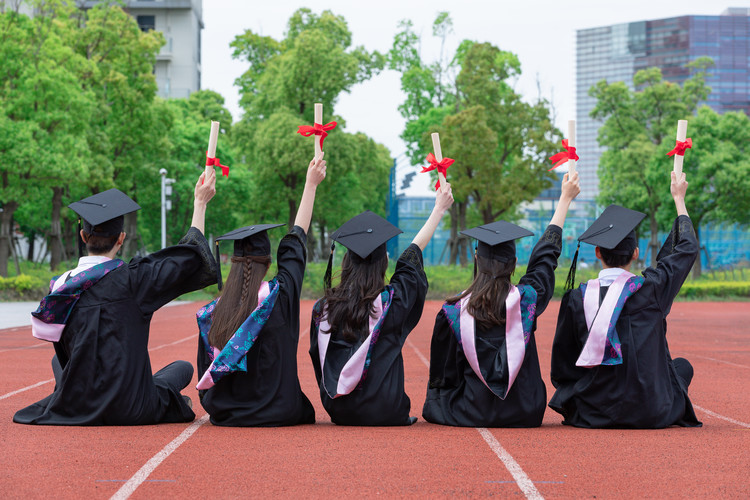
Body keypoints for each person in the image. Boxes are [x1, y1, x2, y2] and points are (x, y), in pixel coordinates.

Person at [15, 168, 218, 425]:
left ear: (83, 237)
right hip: (131, 406)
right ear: (121, 238)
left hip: (78, 403)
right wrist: (199, 202)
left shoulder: (61, 288)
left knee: (60, 359)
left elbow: (48, 333)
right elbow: (189, 259)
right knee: (182, 369)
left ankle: (78, 393)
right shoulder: (134, 280)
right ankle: (172, 403)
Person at [422, 173, 580, 427]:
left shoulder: (454, 311)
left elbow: (444, 375)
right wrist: (564, 200)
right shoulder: (527, 300)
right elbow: (544, 259)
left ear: (476, 258)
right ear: (514, 263)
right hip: (526, 411)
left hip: (469, 410)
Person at [548, 171, 701, 428]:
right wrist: (679, 198)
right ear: (636, 253)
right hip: (651, 410)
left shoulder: (578, 298)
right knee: (681, 367)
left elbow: (563, 365)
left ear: (597, 252)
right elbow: (686, 249)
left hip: (594, 410)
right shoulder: (653, 288)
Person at [195, 153, 326, 426]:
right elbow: (295, 239)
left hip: (228, 413)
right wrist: (310, 184)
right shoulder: (282, 294)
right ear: (268, 264)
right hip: (281, 412)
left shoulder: (213, 313)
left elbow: (204, 371)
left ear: (232, 262)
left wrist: (200, 203)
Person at [309, 185, 454, 426]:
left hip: (339, 409)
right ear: (384, 263)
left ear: (346, 261)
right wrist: (439, 209)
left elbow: (318, 359)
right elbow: (411, 259)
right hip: (387, 410)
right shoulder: (392, 303)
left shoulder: (323, 309)